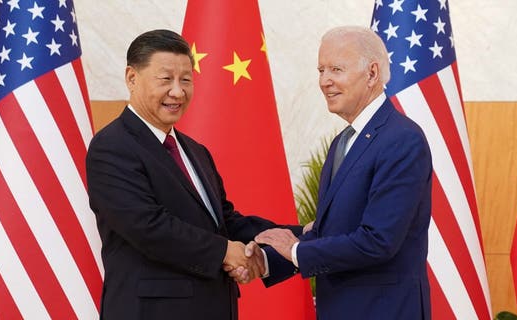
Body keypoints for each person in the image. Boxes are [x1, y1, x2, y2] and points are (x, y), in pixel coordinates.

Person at [86, 29, 301, 320]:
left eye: (186, 80)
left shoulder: (195, 151)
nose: (178, 91)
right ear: (132, 78)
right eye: (165, 79)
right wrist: (225, 252)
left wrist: (297, 237)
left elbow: (224, 222)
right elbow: (148, 227)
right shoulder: (112, 146)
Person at [254, 26, 433, 319]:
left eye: (336, 69)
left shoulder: (401, 139)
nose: (325, 81)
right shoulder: (343, 142)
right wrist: (266, 260)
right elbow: (331, 233)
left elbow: (378, 241)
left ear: (372, 74)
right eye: (321, 70)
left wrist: (296, 251)